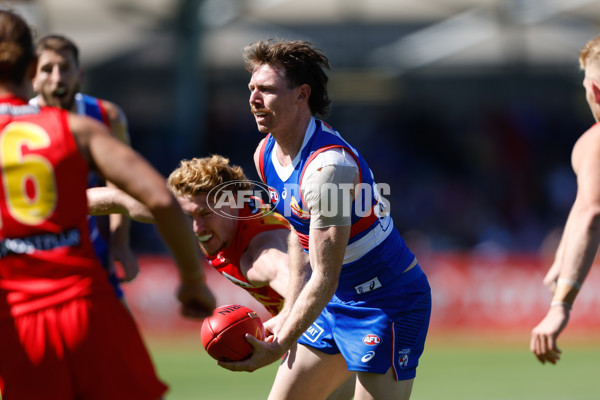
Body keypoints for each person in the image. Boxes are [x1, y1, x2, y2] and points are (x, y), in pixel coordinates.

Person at [0, 9, 215, 400]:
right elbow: (160, 198)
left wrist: (118, 240)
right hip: (86, 304)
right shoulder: (76, 128)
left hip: (14, 317)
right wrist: (192, 281)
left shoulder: (97, 115)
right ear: (32, 67)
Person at [218, 39, 432, 400]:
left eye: (267, 90)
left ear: (302, 94)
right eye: (252, 89)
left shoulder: (328, 170)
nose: (253, 99)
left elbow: (325, 276)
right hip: (333, 302)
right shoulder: (265, 152)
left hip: (386, 303)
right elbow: (300, 236)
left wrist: (282, 339)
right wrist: (288, 313)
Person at [88, 155, 357, 399]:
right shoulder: (206, 209)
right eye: (189, 215)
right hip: (328, 323)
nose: (196, 227)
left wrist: (279, 327)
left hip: (334, 321)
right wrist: (53, 205)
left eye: (205, 215)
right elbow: (118, 199)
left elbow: (310, 285)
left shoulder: (260, 253)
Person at [30, 34, 137, 299]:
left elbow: (121, 181)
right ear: (33, 76)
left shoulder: (105, 117)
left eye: (65, 68)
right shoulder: (12, 121)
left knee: (116, 332)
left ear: (79, 74)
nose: (57, 78)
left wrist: (119, 243)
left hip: (87, 243)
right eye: (47, 69)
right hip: (27, 247)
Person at [530, 34, 600, 365]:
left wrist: (561, 305)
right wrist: (563, 253)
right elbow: (585, 203)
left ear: (594, 90)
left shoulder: (594, 142)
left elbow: (591, 214)